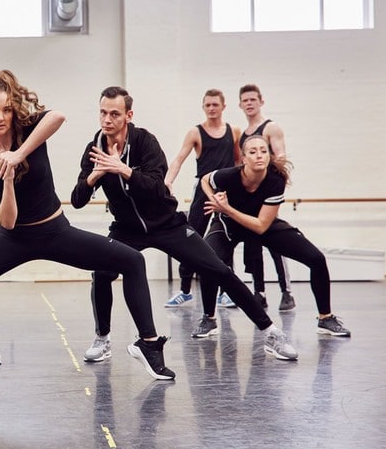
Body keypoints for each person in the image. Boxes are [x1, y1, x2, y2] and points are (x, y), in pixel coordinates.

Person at [0, 70, 176, 383]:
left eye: (7, 109)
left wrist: (18, 154)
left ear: (14, 111)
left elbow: (58, 116)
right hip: (14, 239)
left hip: (56, 232)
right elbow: (7, 221)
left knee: (133, 260)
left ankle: (147, 344)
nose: (0, 117)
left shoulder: (29, 131)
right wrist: (8, 178)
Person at [71, 86, 298, 362]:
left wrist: (124, 170)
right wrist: (95, 176)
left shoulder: (144, 142)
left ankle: (271, 332)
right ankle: (103, 338)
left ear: (128, 115)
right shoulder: (94, 149)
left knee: (219, 269)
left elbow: (157, 188)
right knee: (101, 273)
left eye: (115, 114)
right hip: (127, 229)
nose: (107, 119)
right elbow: (78, 200)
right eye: (103, 113)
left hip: (167, 224)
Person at [201, 135, 351, 338]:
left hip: (260, 224)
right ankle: (208, 319)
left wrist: (226, 208)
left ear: (269, 156)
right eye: (252, 152)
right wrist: (215, 201)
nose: (259, 155)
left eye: (263, 151)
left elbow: (261, 226)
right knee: (208, 261)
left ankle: (325, 318)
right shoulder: (228, 176)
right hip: (228, 225)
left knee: (316, 258)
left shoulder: (275, 181)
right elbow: (205, 180)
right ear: (243, 158)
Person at [163, 88, 240, 307]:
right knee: (190, 236)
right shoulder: (195, 133)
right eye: (207, 105)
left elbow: (238, 161)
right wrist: (168, 181)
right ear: (203, 107)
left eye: (215, 104)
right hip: (202, 191)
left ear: (223, 106)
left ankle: (226, 291)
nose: (211, 108)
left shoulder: (233, 131)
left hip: (225, 192)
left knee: (226, 238)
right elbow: (179, 158)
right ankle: (185, 289)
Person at [238, 84, 295, 312]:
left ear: (261, 101)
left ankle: (286, 292)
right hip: (249, 196)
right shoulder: (244, 134)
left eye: (253, 99)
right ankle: (259, 292)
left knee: (274, 242)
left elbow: (281, 159)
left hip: (267, 194)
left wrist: (272, 190)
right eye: (245, 100)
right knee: (252, 243)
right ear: (240, 104)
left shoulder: (271, 128)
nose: (249, 103)